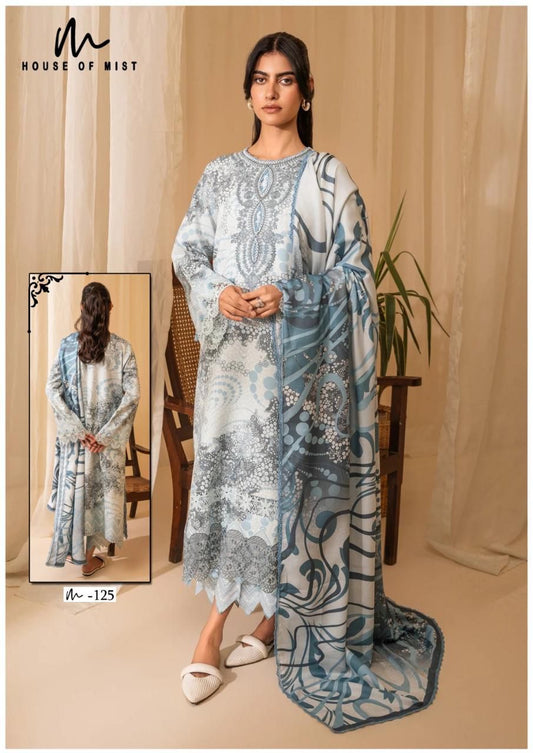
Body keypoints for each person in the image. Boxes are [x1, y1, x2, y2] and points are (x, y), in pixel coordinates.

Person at [172, 31, 443, 731]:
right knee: (234, 491)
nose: (271, 91)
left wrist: (290, 296)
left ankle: (231, 631)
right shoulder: (218, 176)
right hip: (231, 373)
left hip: (296, 381)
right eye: (260, 79)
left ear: (307, 90)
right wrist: (217, 291)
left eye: (285, 79)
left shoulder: (328, 178)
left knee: (279, 498)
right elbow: (188, 251)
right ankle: (240, 622)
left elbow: (356, 276)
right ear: (247, 92)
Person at [45, 281, 140, 575]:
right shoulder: (123, 349)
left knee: (78, 494)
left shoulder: (66, 347)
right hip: (105, 445)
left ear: (81, 309)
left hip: (78, 442)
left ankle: (76, 552)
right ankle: (87, 557)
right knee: (101, 498)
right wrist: (106, 436)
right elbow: (132, 396)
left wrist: (77, 430)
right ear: (110, 308)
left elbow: (52, 390)